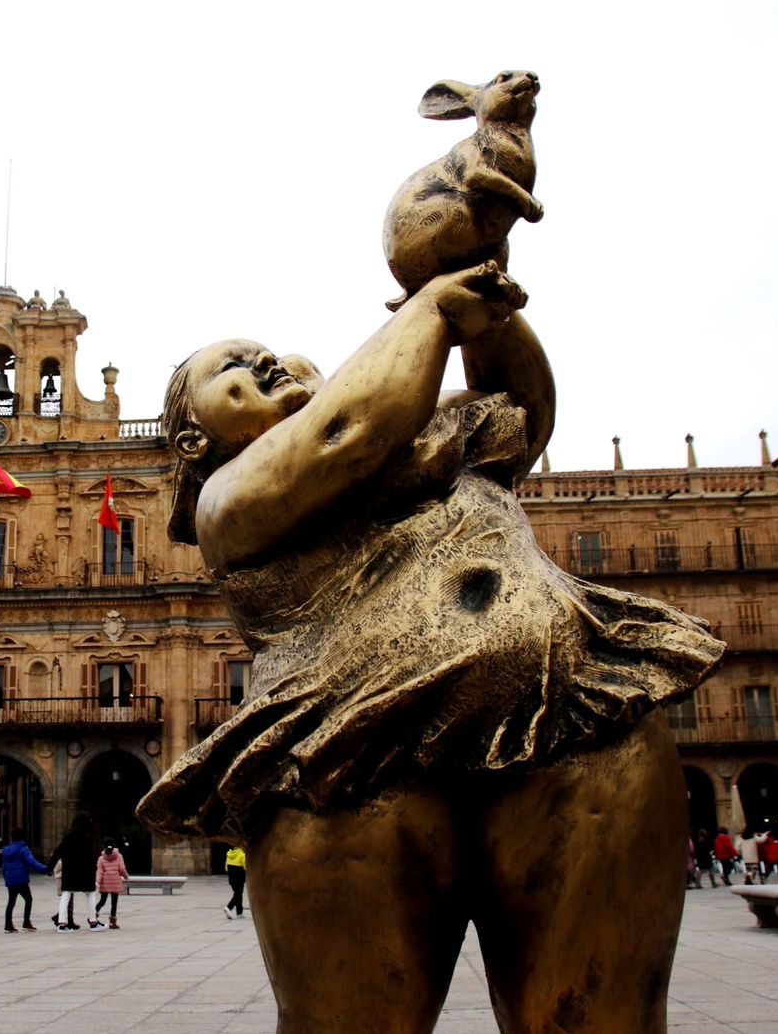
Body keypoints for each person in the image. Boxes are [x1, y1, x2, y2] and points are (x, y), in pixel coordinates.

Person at [136, 264, 722, 1032]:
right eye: (232, 366)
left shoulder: (437, 423)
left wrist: (484, 297)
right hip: (346, 770)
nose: (266, 358)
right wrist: (436, 301)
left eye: (273, 349)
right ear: (192, 438)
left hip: (576, 726)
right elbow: (346, 434)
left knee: (600, 1016)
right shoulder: (230, 496)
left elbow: (525, 408)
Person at [48, 814, 94, 933]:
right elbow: (90, 856)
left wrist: (49, 867)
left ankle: (62, 924)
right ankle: (93, 922)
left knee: (66, 895)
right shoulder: (85, 836)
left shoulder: (68, 836)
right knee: (91, 894)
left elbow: (58, 851)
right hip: (84, 871)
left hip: (70, 871)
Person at [0, 827, 48, 933]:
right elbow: (32, 862)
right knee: (28, 899)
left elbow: (3, 866)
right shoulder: (23, 849)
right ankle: (26, 922)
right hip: (21, 879)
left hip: (10, 879)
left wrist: (6, 877)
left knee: (11, 902)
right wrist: (45, 869)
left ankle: (8, 924)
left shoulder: (6, 849)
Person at [89, 839, 130, 930]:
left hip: (105, 882)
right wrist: (126, 876)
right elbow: (122, 869)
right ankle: (112, 923)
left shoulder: (101, 858)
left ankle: (93, 916)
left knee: (102, 901)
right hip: (115, 882)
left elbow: (99, 871)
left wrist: (97, 881)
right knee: (114, 903)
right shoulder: (119, 856)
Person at [224, 845, 247, 918]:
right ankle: (229, 907)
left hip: (231, 878)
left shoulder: (229, 854)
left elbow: (226, 868)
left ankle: (239, 913)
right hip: (239, 878)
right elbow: (246, 866)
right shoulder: (242, 855)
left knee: (238, 894)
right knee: (238, 894)